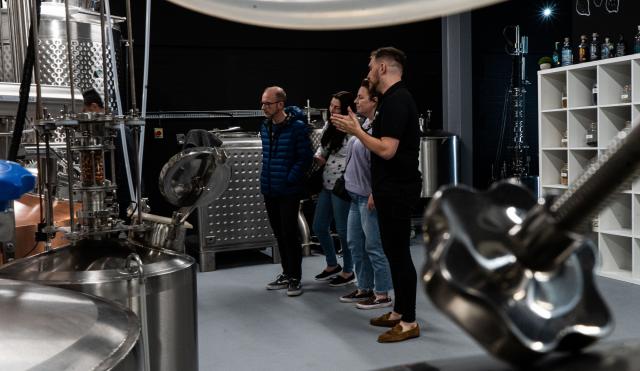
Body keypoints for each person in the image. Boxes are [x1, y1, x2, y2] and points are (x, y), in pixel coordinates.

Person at [332, 47, 421, 343]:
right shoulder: (391, 100)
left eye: (371, 65)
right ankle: (398, 312)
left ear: (383, 68)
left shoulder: (398, 101)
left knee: (400, 256)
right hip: (388, 189)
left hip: (398, 190)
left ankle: (409, 322)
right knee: (393, 254)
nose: (368, 70)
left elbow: (387, 149)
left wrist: (357, 131)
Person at [338, 79, 393, 310]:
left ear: (374, 101)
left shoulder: (379, 127)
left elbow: (383, 163)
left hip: (369, 197)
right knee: (354, 244)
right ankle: (364, 287)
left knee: (374, 246)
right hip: (355, 196)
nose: (356, 101)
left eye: (361, 97)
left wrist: (375, 192)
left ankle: (382, 294)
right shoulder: (364, 126)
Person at [260, 86, 313, 297]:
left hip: (289, 190)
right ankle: (286, 272)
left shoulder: (298, 127)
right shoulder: (265, 126)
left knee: (290, 234)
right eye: (262, 103)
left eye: (268, 103)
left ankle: (295, 278)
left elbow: (305, 158)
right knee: (279, 234)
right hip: (270, 189)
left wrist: (290, 179)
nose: (264, 107)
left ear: (280, 104)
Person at [312, 91, 356, 287]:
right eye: (331, 106)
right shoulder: (329, 126)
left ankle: (348, 270)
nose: (332, 110)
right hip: (326, 184)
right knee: (319, 226)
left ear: (348, 108)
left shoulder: (355, 128)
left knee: (344, 231)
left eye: (337, 107)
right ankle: (332, 264)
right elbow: (321, 152)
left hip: (343, 186)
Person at [82, 88, 135, 220]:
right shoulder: (105, 130)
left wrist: (114, 196)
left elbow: (126, 168)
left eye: (84, 113)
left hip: (125, 199)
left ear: (94, 107)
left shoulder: (116, 129)